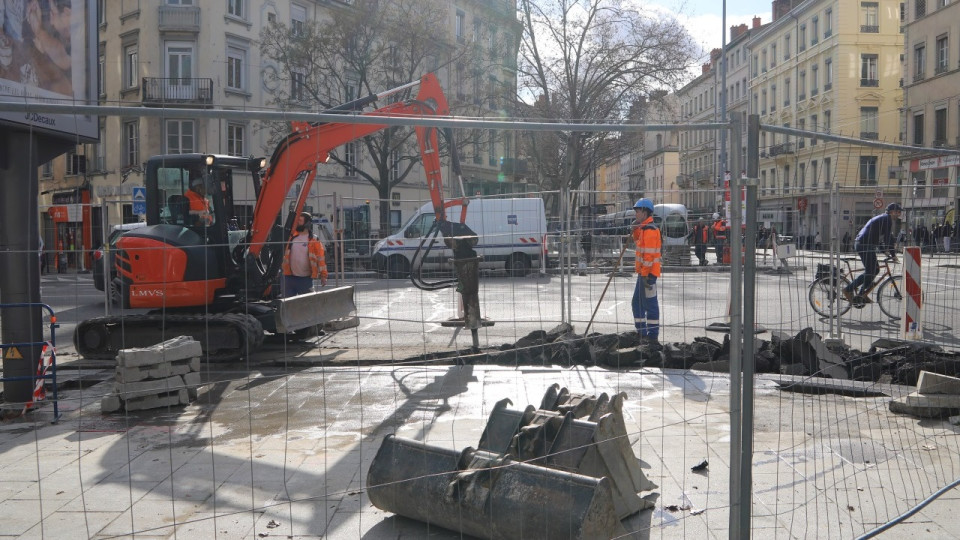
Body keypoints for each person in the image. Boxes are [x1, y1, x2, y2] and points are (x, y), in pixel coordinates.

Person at [843, 203, 902, 304]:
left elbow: (876, 237)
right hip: (864, 245)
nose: (899, 214)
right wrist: (893, 255)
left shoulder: (883, 218)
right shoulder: (887, 219)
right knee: (871, 271)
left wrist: (884, 251)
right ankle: (848, 289)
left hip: (865, 244)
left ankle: (862, 294)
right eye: (898, 212)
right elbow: (888, 238)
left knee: (875, 270)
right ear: (892, 212)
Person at [630, 198, 661, 344]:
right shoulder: (644, 229)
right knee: (638, 302)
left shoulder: (650, 230)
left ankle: (652, 335)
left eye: (637, 211)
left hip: (648, 274)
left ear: (645, 212)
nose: (635, 214)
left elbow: (648, 256)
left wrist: (645, 275)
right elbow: (637, 242)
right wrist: (635, 228)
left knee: (649, 304)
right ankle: (642, 333)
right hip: (643, 273)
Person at [282, 212, 328, 297]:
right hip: (289, 278)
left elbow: (320, 259)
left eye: (299, 221)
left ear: (307, 223)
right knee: (288, 306)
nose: (297, 223)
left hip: (305, 280)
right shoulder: (291, 237)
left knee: (307, 305)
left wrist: (323, 276)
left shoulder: (314, 240)